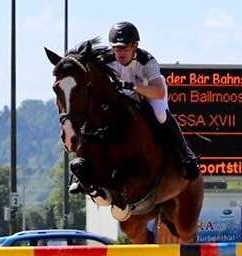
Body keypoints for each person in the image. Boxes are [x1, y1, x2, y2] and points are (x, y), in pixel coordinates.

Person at [69, 21, 199, 194]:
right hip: (119, 98)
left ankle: (185, 155)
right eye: (116, 48)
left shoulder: (147, 60)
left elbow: (159, 92)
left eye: (125, 48)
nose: (120, 52)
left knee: (160, 115)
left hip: (148, 93)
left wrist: (131, 86)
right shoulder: (105, 60)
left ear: (135, 46)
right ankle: (83, 172)